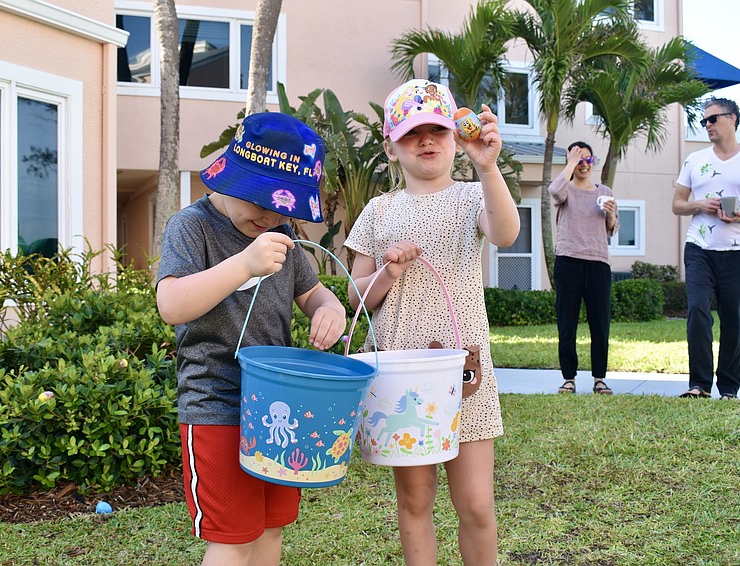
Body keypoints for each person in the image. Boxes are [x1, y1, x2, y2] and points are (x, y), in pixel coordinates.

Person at [155, 112, 347, 565]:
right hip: (217, 403)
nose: (268, 215)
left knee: (269, 530)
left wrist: (329, 310)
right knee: (232, 538)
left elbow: (314, 295)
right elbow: (171, 304)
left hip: (277, 403)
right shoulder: (192, 226)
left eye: (281, 207)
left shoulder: (281, 235)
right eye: (259, 200)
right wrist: (243, 264)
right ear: (231, 176)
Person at [344, 79, 520, 565]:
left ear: (454, 138)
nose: (426, 140)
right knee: (416, 500)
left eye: (437, 131)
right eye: (411, 132)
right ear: (390, 145)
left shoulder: (470, 196)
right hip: (401, 376)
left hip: (464, 371)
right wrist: (388, 270)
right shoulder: (377, 211)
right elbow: (356, 293)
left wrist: (488, 167)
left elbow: (506, 233)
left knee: (477, 504)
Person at [672, 97, 740, 400]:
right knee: (697, 310)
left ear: (732, 118)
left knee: (733, 318)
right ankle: (699, 384)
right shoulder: (695, 160)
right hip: (700, 247)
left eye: (713, 119)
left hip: (738, 249)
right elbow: (677, 204)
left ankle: (729, 389)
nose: (707, 125)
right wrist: (698, 204)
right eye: (704, 121)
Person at [548, 141, 620, 395]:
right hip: (568, 260)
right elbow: (554, 190)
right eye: (579, 160)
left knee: (600, 324)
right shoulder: (565, 188)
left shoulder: (604, 190)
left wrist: (610, 214)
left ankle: (599, 378)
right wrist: (570, 161)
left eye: (587, 160)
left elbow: (612, 228)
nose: (583, 165)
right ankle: (569, 378)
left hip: (598, 262)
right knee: (566, 323)